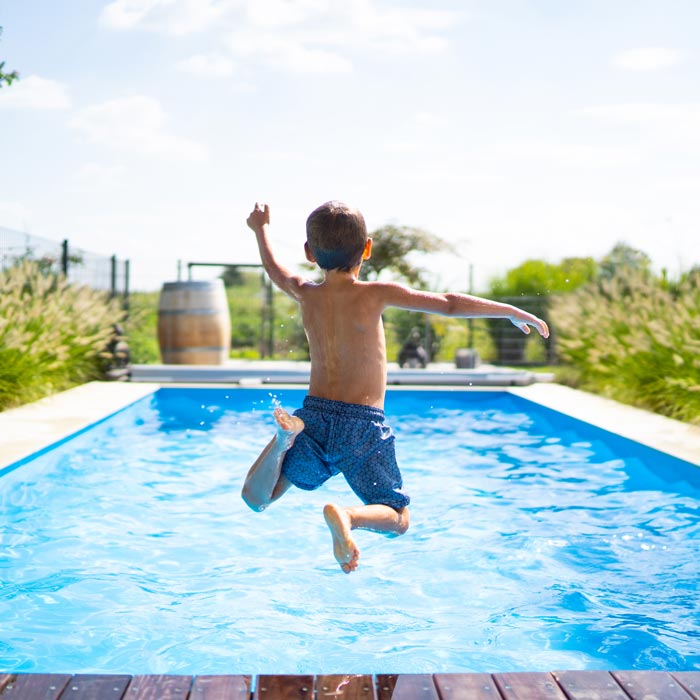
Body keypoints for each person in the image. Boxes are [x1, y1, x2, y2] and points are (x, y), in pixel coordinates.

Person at [242, 201, 549, 573]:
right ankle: (348, 515)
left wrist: (260, 229)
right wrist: (510, 311)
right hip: (362, 426)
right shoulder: (375, 294)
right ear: (367, 249)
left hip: (313, 419)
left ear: (309, 252)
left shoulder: (306, 293)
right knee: (399, 518)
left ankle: (281, 442)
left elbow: (276, 271)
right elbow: (449, 304)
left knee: (258, 498)